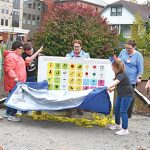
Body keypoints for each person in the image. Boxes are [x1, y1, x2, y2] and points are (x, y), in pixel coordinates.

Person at [107, 59, 134, 136]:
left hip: (127, 95)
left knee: (123, 111)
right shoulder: (118, 74)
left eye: (112, 67)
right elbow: (118, 84)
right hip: (121, 94)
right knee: (116, 109)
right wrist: (112, 88)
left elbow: (116, 82)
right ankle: (117, 125)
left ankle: (125, 129)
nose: (112, 69)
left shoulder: (122, 74)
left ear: (116, 67)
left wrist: (108, 86)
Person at [118, 40, 144, 118]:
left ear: (134, 47)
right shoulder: (123, 51)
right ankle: (120, 112)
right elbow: (118, 61)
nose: (127, 50)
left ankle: (127, 114)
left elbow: (141, 69)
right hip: (121, 79)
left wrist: (139, 78)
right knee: (120, 95)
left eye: (129, 48)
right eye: (126, 48)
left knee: (129, 97)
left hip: (131, 80)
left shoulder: (138, 55)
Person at [66, 40, 90, 117]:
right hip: (71, 77)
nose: (76, 48)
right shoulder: (68, 56)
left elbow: (89, 66)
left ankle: (79, 108)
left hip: (82, 77)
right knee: (70, 94)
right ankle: (69, 110)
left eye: (78, 46)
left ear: (81, 47)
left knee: (80, 94)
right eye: (75, 46)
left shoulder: (86, 55)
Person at [3, 41, 26, 122]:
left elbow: (19, 66)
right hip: (14, 82)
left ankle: (7, 113)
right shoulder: (11, 56)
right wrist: (15, 77)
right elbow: (9, 68)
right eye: (21, 48)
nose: (22, 50)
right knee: (15, 99)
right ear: (17, 48)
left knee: (12, 97)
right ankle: (11, 115)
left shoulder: (16, 56)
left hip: (17, 81)